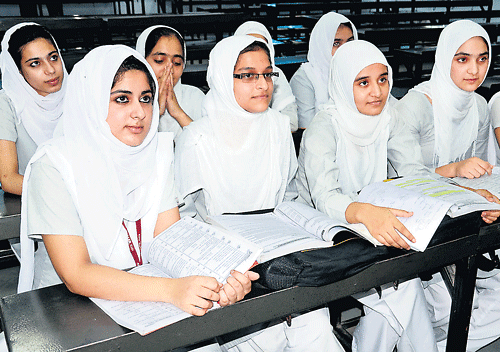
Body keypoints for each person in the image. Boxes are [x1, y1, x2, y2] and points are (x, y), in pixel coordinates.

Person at [17, 45, 257, 352]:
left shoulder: (156, 151)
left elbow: (169, 239)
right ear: (90, 102)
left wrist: (217, 283)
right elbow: (77, 273)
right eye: (121, 99)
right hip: (74, 310)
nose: (139, 112)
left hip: (147, 295)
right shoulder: (53, 167)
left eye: (146, 98)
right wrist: (172, 290)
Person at [175, 35, 343, 352]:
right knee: (268, 340)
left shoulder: (278, 128)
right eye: (248, 75)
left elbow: (290, 198)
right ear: (225, 79)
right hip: (222, 270)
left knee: (319, 329)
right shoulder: (196, 139)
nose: (262, 84)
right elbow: (182, 221)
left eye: (267, 74)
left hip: (279, 260)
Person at [296, 39, 438, 352]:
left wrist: (457, 194)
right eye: (363, 82)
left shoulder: (390, 115)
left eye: (383, 79)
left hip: (370, 226)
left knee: (402, 283)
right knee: (403, 285)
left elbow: (415, 173)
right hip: (321, 231)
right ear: (345, 84)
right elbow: (325, 198)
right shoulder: (324, 126)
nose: (377, 92)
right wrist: (365, 212)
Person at [394, 20, 500, 351]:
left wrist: (483, 198)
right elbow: (405, 179)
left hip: (464, 219)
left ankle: (442, 343)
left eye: (483, 58)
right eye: (462, 59)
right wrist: (454, 171)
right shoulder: (414, 106)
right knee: (424, 304)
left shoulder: (480, 107)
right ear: (444, 58)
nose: (475, 69)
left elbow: (482, 173)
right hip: (415, 223)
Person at [0, 22, 67, 195]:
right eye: (35, 64)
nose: (51, 70)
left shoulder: (77, 93)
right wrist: (68, 191)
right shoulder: (6, 104)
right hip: (32, 200)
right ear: (19, 71)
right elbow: (8, 179)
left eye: (53, 57)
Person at [136, 25, 206, 140]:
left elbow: (209, 148)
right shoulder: (130, 99)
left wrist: (178, 113)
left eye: (177, 62)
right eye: (159, 61)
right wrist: (155, 112)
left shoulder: (195, 97)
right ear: (142, 61)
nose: (169, 69)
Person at [290, 11, 357, 129]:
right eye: (336, 43)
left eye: (349, 41)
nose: (345, 49)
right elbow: (307, 129)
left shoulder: (359, 70)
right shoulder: (304, 79)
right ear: (322, 45)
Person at [234, 20, 298, 132]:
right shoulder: (227, 77)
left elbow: (291, 122)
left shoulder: (276, 75)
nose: (257, 50)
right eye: (250, 46)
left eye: (262, 45)